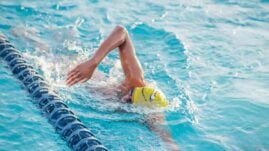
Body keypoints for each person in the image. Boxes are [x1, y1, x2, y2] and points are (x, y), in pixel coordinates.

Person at [66, 25, 179, 151]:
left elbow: (168, 140)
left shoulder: (151, 115)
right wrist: (93, 62)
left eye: (130, 100)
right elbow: (121, 32)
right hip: (77, 71)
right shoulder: (136, 81)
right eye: (131, 93)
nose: (126, 97)